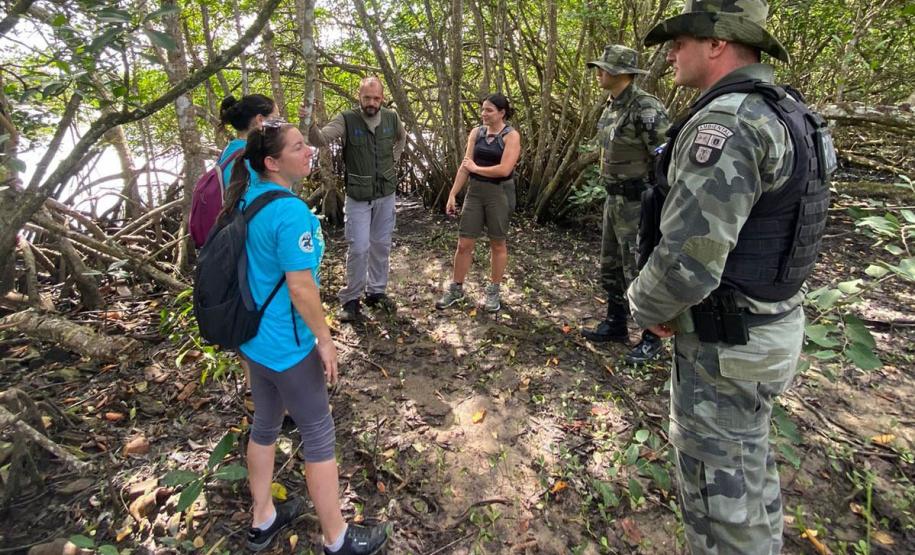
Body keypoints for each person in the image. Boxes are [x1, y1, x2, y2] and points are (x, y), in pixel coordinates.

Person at [630, 1, 833, 553]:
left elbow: (688, 261)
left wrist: (643, 308)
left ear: (718, 43)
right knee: (746, 482)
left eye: (682, 39)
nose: (671, 51)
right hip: (765, 332)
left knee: (722, 511)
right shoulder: (789, 111)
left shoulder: (730, 122)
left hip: (726, 348)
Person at [220, 121, 390, 554]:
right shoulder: (289, 211)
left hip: (254, 339)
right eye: (298, 147)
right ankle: (337, 539)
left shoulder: (246, 196)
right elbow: (300, 288)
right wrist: (325, 338)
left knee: (265, 424)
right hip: (287, 344)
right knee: (317, 435)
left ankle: (263, 518)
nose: (309, 150)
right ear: (273, 162)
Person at [580, 45, 670, 365]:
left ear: (621, 73)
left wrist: (658, 203)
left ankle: (651, 337)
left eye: (603, 68)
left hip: (638, 203)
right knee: (612, 265)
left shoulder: (645, 107)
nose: (599, 73)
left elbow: (665, 158)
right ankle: (616, 323)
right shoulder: (611, 106)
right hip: (614, 198)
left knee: (640, 268)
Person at [300, 77, 407, 322]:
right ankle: (350, 298)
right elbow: (320, 139)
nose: (371, 102)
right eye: (367, 98)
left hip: (385, 194)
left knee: (381, 244)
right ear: (359, 96)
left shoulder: (391, 117)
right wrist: (309, 120)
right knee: (359, 247)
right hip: (358, 197)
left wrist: (394, 159)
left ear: (382, 97)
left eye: (376, 98)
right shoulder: (346, 119)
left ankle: (376, 292)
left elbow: (402, 137)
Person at [435, 93, 521, 313]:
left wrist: (477, 169)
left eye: (489, 110)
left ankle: (493, 290)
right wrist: (453, 194)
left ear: (502, 113)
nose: (484, 114)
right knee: (464, 243)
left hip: (499, 193)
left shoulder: (511, 136)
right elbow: (465, 166)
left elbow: (504, 169)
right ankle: (456, 288)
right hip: (475, 192)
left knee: (497, 243)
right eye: (483, 109)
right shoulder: (477, 132)